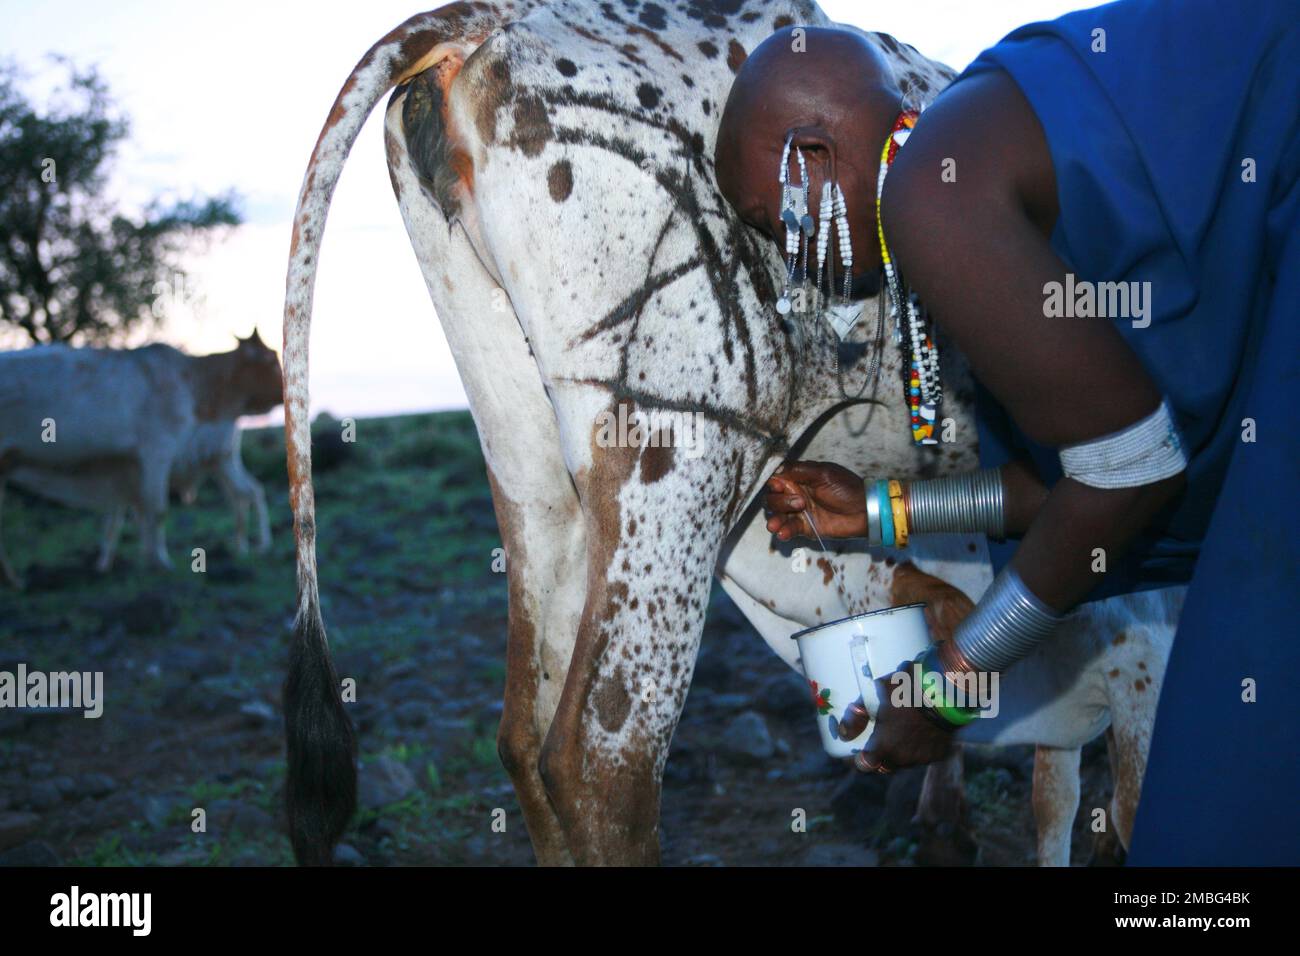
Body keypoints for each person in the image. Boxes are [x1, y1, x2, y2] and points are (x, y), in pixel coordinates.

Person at [713, 0, 1298, 864]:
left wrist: (949, 685)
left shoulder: (926, 197)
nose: (790, 261)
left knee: (1217, 816)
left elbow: (1132, 472)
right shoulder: (960, 159)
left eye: (773, 222)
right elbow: (1082, 474)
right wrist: (878, 511)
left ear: (813, 156)